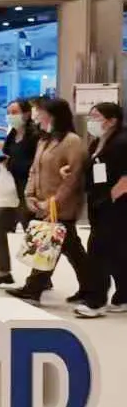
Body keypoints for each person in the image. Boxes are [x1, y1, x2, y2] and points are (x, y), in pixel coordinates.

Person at [7, 97, 89, 304]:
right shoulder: (44, 140)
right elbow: (34, 170)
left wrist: (53, 202)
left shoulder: (71, 141)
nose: (36, 116)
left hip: (61, 205)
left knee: (54, 244)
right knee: (65, 246)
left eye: (40, 112)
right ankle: (90, 287)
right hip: (42, 203)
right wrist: (29, 195)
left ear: (53, 115)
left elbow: (73, 177)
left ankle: (34, 287)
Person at [75, 103, 127, 318]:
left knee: (98, 251)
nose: (91, 121)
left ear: (112, 120)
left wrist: (113, 194)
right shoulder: (98, 141)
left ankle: (96, 301)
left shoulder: (122, 141)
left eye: (96, 117)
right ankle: (124, 296)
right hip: (99, 202)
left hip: (116, 205)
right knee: (117, 252)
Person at [0, 98, 39, 288]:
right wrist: (4, 160)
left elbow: (36, 163)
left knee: (34, 234)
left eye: (14, 112)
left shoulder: (35, 135)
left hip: (28, 191)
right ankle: (4, 272)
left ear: (27, 113)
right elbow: (8, 154)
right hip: (11, 190)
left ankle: (40, 277)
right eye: (8, 112)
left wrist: (12, 163)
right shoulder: (12, 133)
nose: (10, 116)